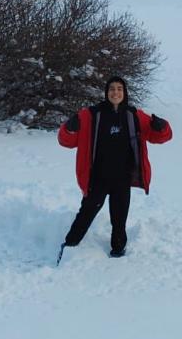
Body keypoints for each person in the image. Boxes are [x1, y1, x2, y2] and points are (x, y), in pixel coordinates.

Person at [58, 76, 173, 258]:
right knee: (86, 213)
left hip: (122, 177)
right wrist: (69, 128)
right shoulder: (91, 115)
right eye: (112, 89)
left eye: (119, 89)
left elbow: (160, 137)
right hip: (97, 177)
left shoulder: (134, 116)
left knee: (119, 219)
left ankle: (118, 250)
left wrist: (162, 127)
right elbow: (66, 141)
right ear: (106, 92)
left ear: (124, 92)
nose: (115, 92)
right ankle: (70, 244)